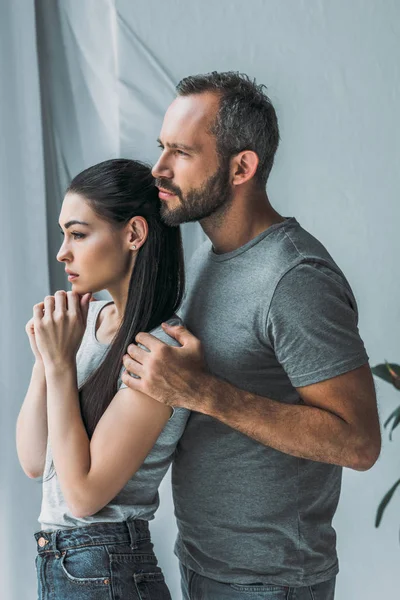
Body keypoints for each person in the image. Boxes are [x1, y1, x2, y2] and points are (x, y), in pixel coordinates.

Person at [121, 72, 381, 600]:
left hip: (272, 583)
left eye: (181, 152)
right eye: (160, 148)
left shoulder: (296, 277)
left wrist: (203, 393)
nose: (159, 169)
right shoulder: (204, 254)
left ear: (242, 166)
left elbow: (359, 443)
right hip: (202, 564)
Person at [16, 159, 189, 600]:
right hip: (60, 563)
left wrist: (60, 365)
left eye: (78, 233)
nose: (62, 252)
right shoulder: (86, 321)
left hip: (108, 568)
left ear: (133, 234)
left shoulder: (159, 352)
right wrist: (47, 359)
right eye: (63, 234)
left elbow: (83, 497)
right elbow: (37, 461)